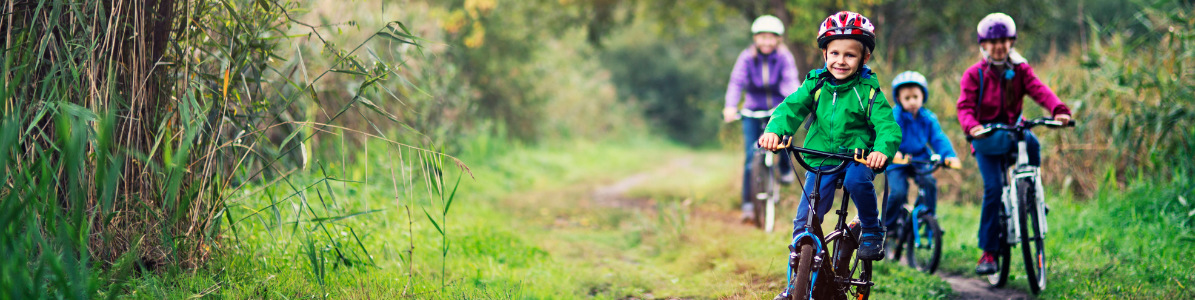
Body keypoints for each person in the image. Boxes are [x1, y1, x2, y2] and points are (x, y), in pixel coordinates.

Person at [758, 10, 900, 269]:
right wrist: (773, 132)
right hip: (821, 156)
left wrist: (880, 151)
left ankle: (870, 229)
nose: (841, 61)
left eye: (850, 55)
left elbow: (888, 127)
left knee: (857, 180)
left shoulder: (867, 91)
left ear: (864, 57)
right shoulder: (816, 84)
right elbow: (790, 109)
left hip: (857, 157)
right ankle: (794, 286)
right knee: (805, 222)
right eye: (834, 53)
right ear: (825, 54)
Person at [956, 13, 1073, 275]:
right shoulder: (974, 74)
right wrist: (972, 126)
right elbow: (964, 106)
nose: (999, 46)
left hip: (1013, 131)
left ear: (1012, 42)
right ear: (983, 45)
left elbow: (1039, 89)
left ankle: (1032, 194)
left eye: (1004, 40)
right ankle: (988, 252)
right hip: (986, 137)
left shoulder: (1020, 69)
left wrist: (1058, 109)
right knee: (994, 189)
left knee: (1032, 144)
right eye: (993, 41)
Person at [723, 15, 800, 223]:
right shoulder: (747, 57)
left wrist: (792, 103)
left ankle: (785, 169)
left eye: (771, 38)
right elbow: (736, 82)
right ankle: (748, 205)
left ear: (778, 39)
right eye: (762, 37)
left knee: (783, 140)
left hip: (777, 108)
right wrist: (730, 106)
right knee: (751, 157)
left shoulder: (784, 57)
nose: (766, 42)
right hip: (752, 110)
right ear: (755, 38)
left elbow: (792, 81)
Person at [883, 71, 960, 234]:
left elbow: (938, 138)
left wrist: (949, 156)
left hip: (920, 158)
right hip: (897, 160)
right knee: (898, 193)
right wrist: (893, 153)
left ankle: (928, 219)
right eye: (907, 98)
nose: (912, 102)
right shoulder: (894, 116)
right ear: (899, 99)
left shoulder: (928, 118)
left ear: (923, 97)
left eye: (915, 97)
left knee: (929, 183)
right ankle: (888, 228)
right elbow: (887, 137)